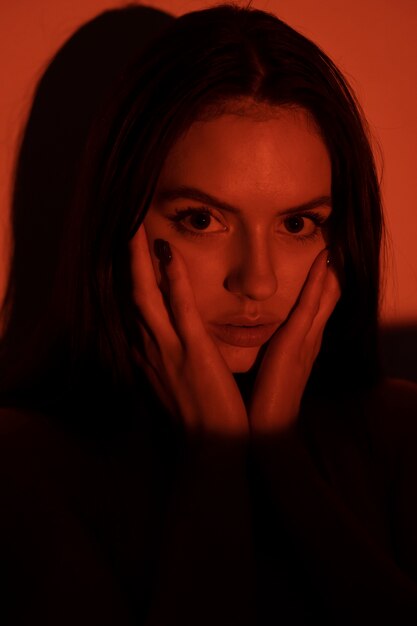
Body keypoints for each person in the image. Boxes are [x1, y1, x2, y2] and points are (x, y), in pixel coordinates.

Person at [0, 3, 417, 624]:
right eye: (201, 219)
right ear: (120, 219)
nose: (257, 280)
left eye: (299, 224)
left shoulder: (398, 433)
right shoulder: (22, 466)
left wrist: (282, 463)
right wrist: (215, 464)